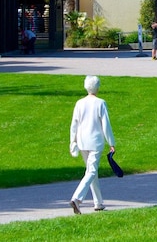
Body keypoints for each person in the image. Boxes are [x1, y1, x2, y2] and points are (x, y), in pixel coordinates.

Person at [69, 75, 116, 214]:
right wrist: (111, 142)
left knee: (91, 171)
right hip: (95, 141)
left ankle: (98, 202)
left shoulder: (79, 103)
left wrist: (73, 141)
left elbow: (74, 124)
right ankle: (77, 198)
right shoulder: (100, 103)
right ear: (98, 87)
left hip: (82, 141)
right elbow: (106, 124)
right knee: (91, 171)